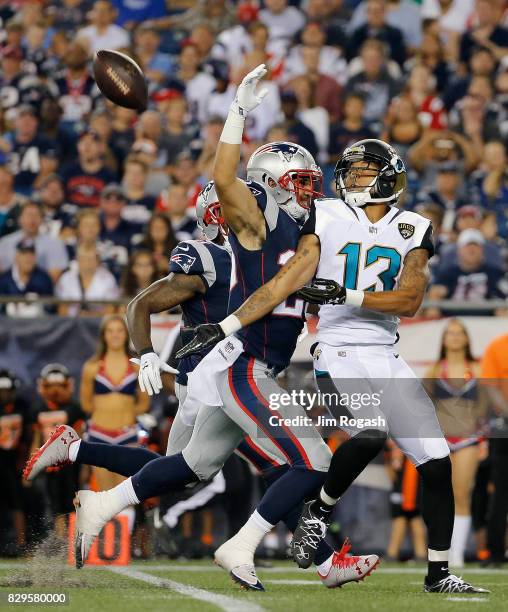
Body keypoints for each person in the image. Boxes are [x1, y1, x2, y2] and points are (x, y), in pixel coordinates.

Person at [25, 68, 378, 590]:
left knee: (192, 466)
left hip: (244, 366)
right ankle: (249, 547)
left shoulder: (307, 231)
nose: (310, 190)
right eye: (300, 181)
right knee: (311, 460)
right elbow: (228, 176)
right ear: (274, 184)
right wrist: (238, 114)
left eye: (310, 181)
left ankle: (101, 504)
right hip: (240, 365)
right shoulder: (258, 222)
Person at [178, 135, 489, 594]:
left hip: (385, 350)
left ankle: (438, 574)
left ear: (385, 176)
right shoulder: (325, 213)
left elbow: (412, 298)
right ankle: (318, 515)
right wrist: (227, 325)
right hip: (338, 346)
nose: (350, 178)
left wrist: (348, 294)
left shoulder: (414, 227)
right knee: (369, 431)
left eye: (361, 170)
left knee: (437, 462)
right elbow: (289, 278)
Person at [424, 319, 487, 567]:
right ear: (443, 339)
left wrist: (482, 435)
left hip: (468, 440)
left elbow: (486, 406)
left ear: (467, 338)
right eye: (450, 333)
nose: (455, 337)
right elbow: (421, 405)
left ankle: (457, 553)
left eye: (460, 333)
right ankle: (439, 550)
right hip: (440, 439)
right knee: (439, 494)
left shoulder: (478, 369)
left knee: (462, 494)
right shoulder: (434, 370)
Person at [79, 315, 149, 492]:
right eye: (110, 331)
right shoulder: (92, 367)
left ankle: (130, 521)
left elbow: (144, 403)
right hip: (99, 436)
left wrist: (125, 413)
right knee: (105, 494)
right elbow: (86, 404)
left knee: (127, 494)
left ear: (126, 334)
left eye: (119, 330)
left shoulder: (136, 366)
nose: (115, 335)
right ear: (103, 335)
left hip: (127, 436)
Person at [30, 364, 85, 538]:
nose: (55, 391)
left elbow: (81, 438)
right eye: (51, 386)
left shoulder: (74, 408)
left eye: (59, 386)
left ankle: (74, 538)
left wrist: (85, 465)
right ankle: (63, 540)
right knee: (56, 504)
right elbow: (36, 440)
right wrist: (32, 464)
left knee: (73, 500)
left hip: (70, 461)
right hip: (50, 464)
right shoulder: (38, 409)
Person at [480, 330, 508, 566]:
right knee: (500, 492)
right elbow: (490, 387)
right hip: (505, 426)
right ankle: (495, 551)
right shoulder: (498, 346)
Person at [0, 200, 69, 283]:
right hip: (9, 292)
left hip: (42, 291)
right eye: (28, 215)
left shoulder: (56, 244)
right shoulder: (5, 243)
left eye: (36, 215)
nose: (32, 220)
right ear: (19, 219)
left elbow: (54, 277)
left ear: (42, 219)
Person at [0, 369, 28, 554]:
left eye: (7, 390)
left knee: (17, 503)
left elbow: (28, 437)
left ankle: (21, 542)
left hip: (14, 462)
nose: (4, 394)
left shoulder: (22, 407)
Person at [55, 244, 119, 317]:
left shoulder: (108, 279)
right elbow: (62, 309)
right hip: (71, 323)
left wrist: (90, 315)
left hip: (99, 322)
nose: (87, 263)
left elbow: (110, 310)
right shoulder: (66, 278)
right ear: (77, 260)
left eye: (90, 259)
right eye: (83, 259)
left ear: (97, 261)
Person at [0, 238, 53, 317]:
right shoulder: (4, 280)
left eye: (31, 254)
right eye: (24, 253)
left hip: (37, 327)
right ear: (17, 256)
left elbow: (50, 310)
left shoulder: (44, 279)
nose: (28, 258)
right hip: (9, 327)